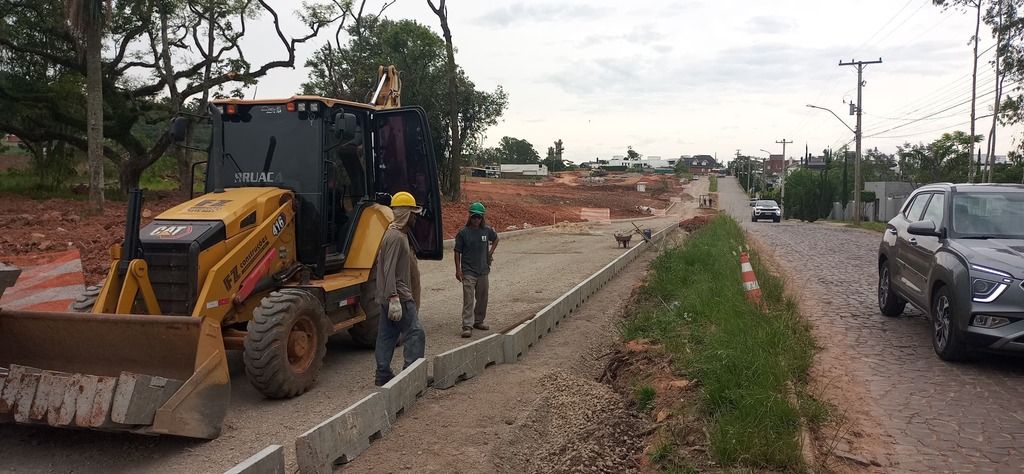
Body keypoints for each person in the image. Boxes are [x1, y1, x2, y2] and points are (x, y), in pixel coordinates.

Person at [373, 191, 426, 386]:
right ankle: (412, 375)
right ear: (405, 213)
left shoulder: (393, 233)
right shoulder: (396, 238)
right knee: (415, 332)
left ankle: (382, 374)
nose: (415, 217)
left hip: (390, 295)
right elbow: (388, 270)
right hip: (399, 295)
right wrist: (394, 297)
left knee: (387, 335)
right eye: (413, 213)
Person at [454, 202, 499, 338]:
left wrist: (490, 251)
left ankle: (478, 321)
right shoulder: (463, 233)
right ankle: (467, 326)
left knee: (482, 297)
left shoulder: (487, 230)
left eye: (479, 217)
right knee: (468, 299)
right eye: (474, 217)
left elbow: (496, 239)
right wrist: (458, 270)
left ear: (482, 218)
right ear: (470, 217)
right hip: (468, 271)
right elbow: (457, 252)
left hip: (483, 270)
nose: (476, 220)